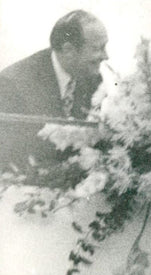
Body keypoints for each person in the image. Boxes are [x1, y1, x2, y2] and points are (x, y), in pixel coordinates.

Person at [0, 10, 108, 166]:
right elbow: (8, 155)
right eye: (98, 48)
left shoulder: (93, 79)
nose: (105, 56)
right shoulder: (13, 84)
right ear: (68, 50)